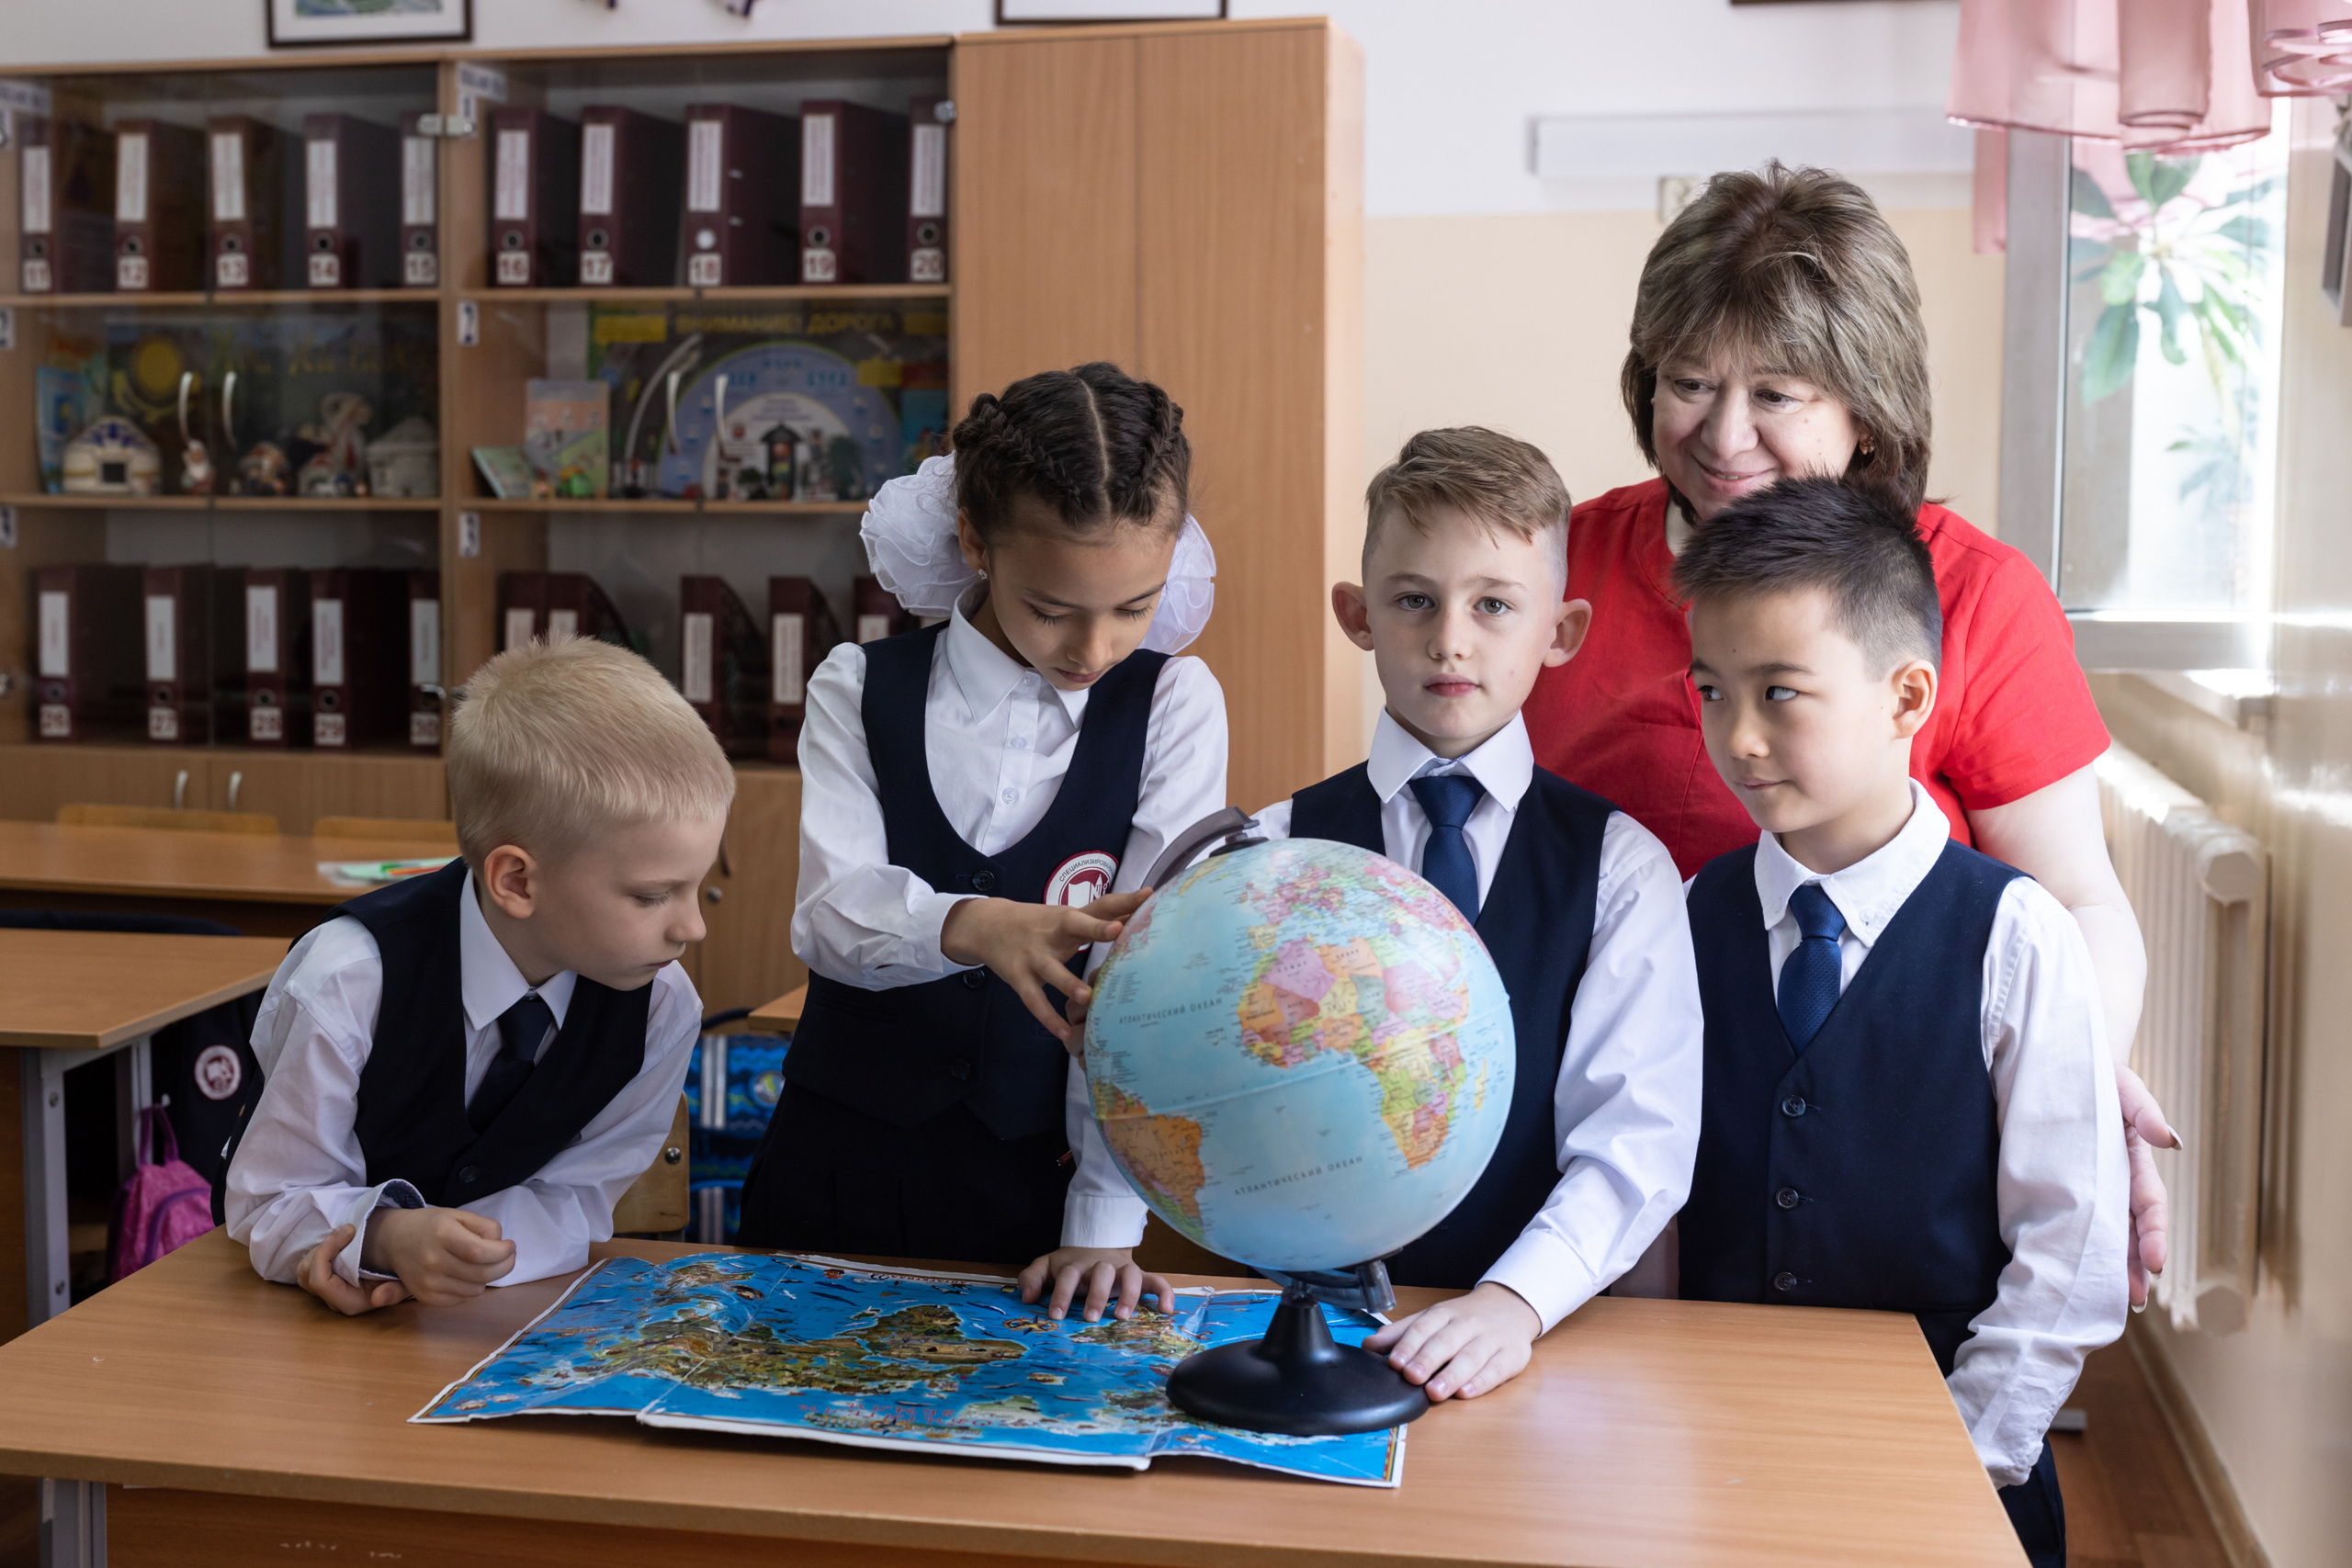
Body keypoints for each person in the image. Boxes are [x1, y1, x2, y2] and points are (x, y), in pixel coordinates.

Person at [1525, 161, 2173, 1300]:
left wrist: (2071, 1088)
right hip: (1593, 1118)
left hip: (1871, 1127)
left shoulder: (1972, 595)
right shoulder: (1548, 570)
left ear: (1865, 407)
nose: (1725, 439)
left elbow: (2075, 902)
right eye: (1688, 383)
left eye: (1778, 393)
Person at [1674, 477, 2127, 1568]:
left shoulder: (2016, 936)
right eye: (1710, 692)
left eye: (1779, 693)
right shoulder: (1691, 912)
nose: (1737, 738)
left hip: (1953, 1459)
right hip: (1721, 1445)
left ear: (1906, 696)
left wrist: (1959, 1457)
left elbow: (2070, 1245)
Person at [734, 364, 1227, 1326]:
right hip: (836, 1169)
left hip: (1042, 1197)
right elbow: (832, 919)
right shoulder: (857, 684)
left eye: (1134, 607)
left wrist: (1101, 1220)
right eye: (1053, 608)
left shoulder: (1174, 703)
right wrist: (975, 925)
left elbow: (1151, 976)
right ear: (976, 543)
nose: (1093, 647)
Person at [1242, 427, 1701, 1402]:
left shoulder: (1621, 869)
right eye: (1414, 601)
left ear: (1562, 631)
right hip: (1293, 1336)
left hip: (1531, 1341)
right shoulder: (1270, 851)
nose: (1450, 639)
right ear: (1357, 616)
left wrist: (1511, 1305)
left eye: (1494, 605)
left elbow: (1637, 1140)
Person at [225, 637, 732, 1312]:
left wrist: (472, 1256)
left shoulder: (661, 1006)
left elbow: (578, 1197)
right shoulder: (349, 981)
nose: (692, 927)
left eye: (697, 886)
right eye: (650, 896)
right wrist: (380, 1237)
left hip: (501, 1326)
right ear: (516, 879)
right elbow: (268, 1195)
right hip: (305, 1341)